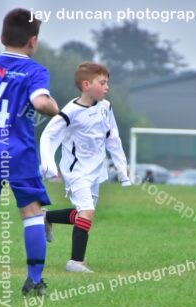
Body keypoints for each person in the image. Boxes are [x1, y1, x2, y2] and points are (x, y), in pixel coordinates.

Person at [0, 9, 59, 295]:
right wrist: (56, 109)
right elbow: (41, 103)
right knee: (31, 213)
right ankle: (34, 280)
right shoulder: (34, 71)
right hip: (18, 152)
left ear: (2, 36)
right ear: (33, 41)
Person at [40, 62, 131, 272]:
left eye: (107, 82)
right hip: (76, 171)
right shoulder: (70, 112)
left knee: (84, 214)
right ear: (86, 85)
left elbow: (113, 139)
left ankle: (46, 217)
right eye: (103, 83)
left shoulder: (106, 107)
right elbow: (49, 135)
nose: (107, 87)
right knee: (87, 212)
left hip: (96, 172)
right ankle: (75, 262)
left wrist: (122, 171)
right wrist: (49, 165)